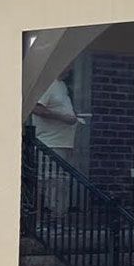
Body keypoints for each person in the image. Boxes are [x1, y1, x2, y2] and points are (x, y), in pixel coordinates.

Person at [30, 73, 81, 215]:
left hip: (63, 143)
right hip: (49, 144)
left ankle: (57, 217)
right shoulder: (48, 85)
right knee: (46, 182)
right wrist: (63, 118)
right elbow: (36, 108)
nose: (70, 67)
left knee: (59, 183)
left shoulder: (62, 86)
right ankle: (40, 217)